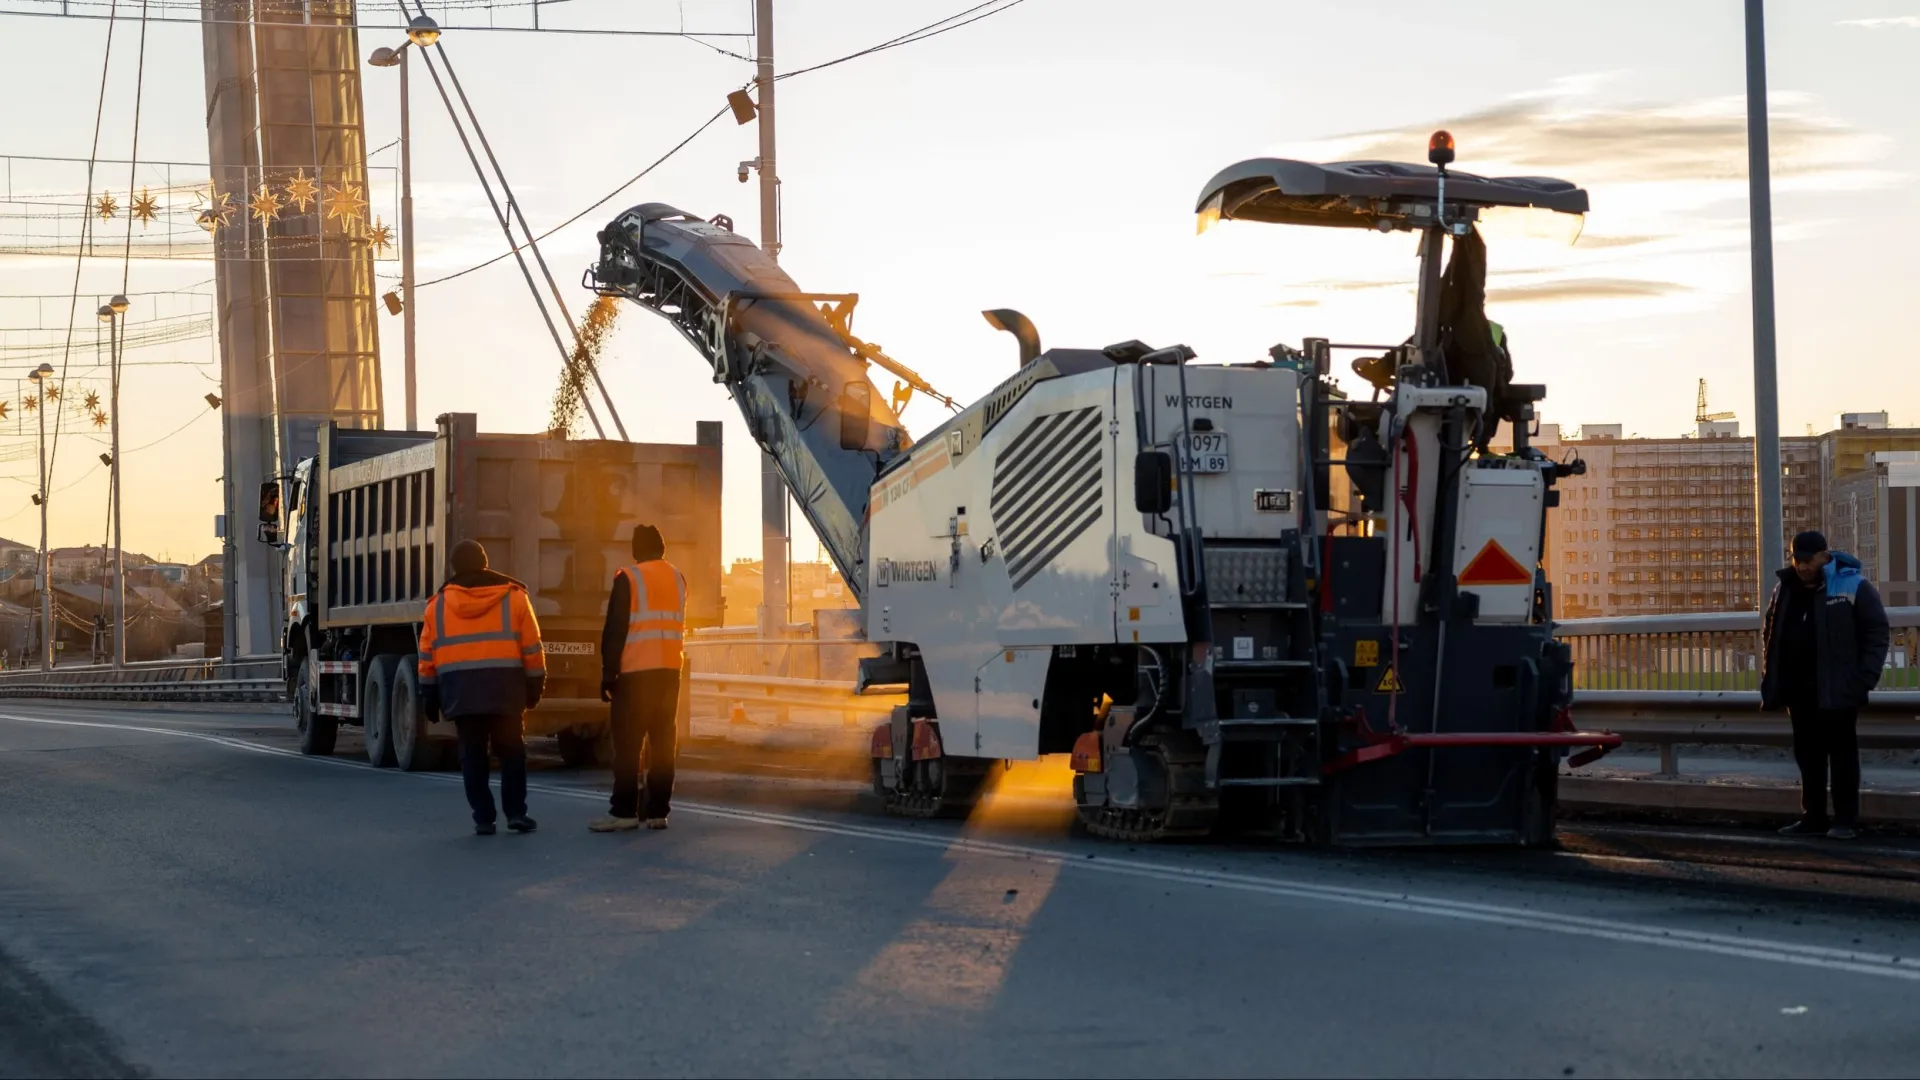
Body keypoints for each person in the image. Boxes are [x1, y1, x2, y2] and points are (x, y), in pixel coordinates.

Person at [1760, 530, 1890, 841]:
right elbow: (1770, 633)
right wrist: (1774, 676)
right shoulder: (1783, 589)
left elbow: (1876, 633)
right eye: (1797, 560)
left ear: (1824, 555)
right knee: (1808, 757)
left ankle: (1845, 820)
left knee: (1843, 756)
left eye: (1808, 560)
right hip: (1798, 691)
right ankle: (1813, 817)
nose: (1803, 566)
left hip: (1839, 688)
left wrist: (1863, 679)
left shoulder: (1852, 584)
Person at [418, 539, 545, 836]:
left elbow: (427, 658)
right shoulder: (515, 598)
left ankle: (483, 818)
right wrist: (535, 686)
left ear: (454, 568)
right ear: (485, 563)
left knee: (472, 756)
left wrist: (430, 697)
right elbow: (532, 648)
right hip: (506, 691)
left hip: (462, 694)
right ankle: (515, 813)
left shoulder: (436, 607)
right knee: (512, 752)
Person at [590, 524, 686, 832]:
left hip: (634, 674)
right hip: (670, 673)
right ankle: (659, 812)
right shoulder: (678, 578)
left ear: (636, 549)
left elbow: (616, 629)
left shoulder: (628, 578)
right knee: (662, 743)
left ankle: (624, 812)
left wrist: (608, 674)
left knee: (629, 747)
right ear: (662, 547)